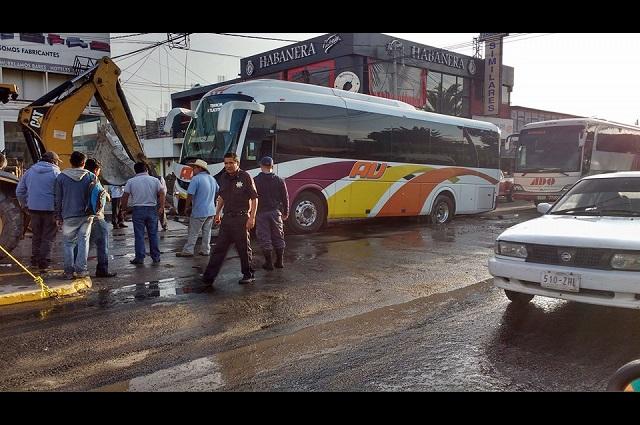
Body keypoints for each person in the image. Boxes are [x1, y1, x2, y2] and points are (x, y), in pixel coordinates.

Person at [201, 152, 258, 286]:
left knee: (243, 248)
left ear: (237, 163)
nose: (228, 165)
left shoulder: (245, 177)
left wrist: (252, 218)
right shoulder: (224, 177)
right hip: (227, 218)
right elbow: (222, 197)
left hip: (241, 217)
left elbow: (255, 198)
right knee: (219, 248)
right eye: (226, 163)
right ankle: (209, 277)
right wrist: (217, 213)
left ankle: (248, 274)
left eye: (231, 163)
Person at [16, 151, 61, 271]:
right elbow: (60, 194)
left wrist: (25, 204)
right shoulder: (56, 173)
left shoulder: (30, 171)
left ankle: (35, 259)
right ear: (53, 161)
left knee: (36, 235)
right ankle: (43, 262)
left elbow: (19, 191)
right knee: (48, 236)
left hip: (33, 209)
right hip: (50, 209)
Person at [54, 151, 95, 279]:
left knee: (68, 244)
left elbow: (58, 199)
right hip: (86, 216)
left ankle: (68, 272)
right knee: (83, 242)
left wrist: (58, 216)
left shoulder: (61, 177)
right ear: (83, 163)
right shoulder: (91, 176)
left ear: (71, 162)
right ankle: (82, 271)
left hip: (68, 216)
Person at [121, 162, 166, 265]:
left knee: (139, 235)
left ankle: (140, 258)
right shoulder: (154, 180)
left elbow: (125, 196)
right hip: (152, 209)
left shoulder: (131, 181)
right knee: (153, 234)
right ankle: (156, 257)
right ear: (146, 169)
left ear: (135, 170)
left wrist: (124, 209)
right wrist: (162, 207)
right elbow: (162, 193)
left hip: (138, 210)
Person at [176, 159, 218, 257]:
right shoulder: (212, 178)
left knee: (193, 231)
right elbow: (217, 191)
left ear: (199, 168)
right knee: (207, 232)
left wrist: (187, 207)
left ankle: (188, 251)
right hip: (211, 210)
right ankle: (205, 250)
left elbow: (190, 194)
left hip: (199, 210)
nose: (192, 170)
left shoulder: (196, 179)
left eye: (194, 168)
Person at [253, 156, 289, 270]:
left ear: (261, 166)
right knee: (278, 236)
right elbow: (285, 197)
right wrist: (286, 211)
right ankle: (279, 261)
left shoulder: (255, 180)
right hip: (275, 212)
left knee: (265, 238)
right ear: (272, 166)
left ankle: (268, 263)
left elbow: (251, 197)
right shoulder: (279, 180)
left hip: (261, 213)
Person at [83, 159, 117, 278]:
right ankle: (102, 269)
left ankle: (76, 267)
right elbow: (103, 196)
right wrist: (107, 194)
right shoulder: (94, 180)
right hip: (97, 218)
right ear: (96, 170)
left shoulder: (79, 179)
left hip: (81, 217)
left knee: (83, 244)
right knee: (102, 245)